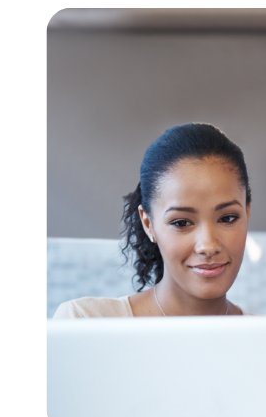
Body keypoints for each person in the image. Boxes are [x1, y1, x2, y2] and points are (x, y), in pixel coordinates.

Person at [53, 122, 254, 318]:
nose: (208, 246)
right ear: (148, 224)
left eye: (228, 218)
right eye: (181, 223)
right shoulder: (84, 322)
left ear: (247, 213)